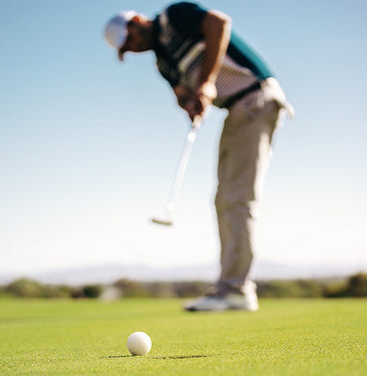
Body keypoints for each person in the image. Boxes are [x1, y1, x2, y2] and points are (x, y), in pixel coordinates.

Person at [104, 3, 293, 311]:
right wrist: (191, 102)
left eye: (132, 40)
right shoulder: (163, 64)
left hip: (256, 98)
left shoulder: (173, 16)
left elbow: (220, 23)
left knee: (238, 198)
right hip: (236, 110)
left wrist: (206, 82)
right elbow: (183, 94)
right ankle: (228, 287)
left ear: (137, 22)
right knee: (223, 200)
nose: (135, 49)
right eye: (128, 49)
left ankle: (237, 289)